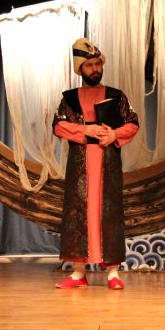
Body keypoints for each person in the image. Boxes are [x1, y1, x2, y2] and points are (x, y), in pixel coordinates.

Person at [52, 38, 139, 290]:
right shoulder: (70, 98)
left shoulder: (115, 96)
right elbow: (58, 125)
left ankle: (113, 273)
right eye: (89, 65)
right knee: (78, 214)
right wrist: (85, 130)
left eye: (98, 64)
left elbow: (132, 122)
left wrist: (115, 134)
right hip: (81, 164)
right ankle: (78, 273)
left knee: (109, 213)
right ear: (80, 69)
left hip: (107, 163)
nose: (95, 69)